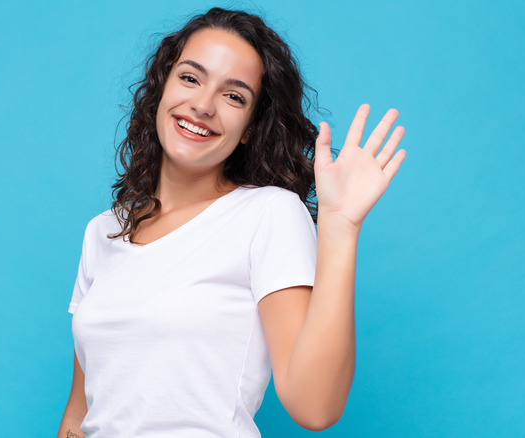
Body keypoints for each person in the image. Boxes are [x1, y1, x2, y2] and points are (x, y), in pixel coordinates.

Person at [57, 7, 405, 438]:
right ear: (161, 88)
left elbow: (315, 407)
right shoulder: (103, 230)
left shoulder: (267, 213)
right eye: (190, 77)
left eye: (234, 95)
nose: (203, 105)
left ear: (248, 128)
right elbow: (79, 416)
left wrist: (340, 224)